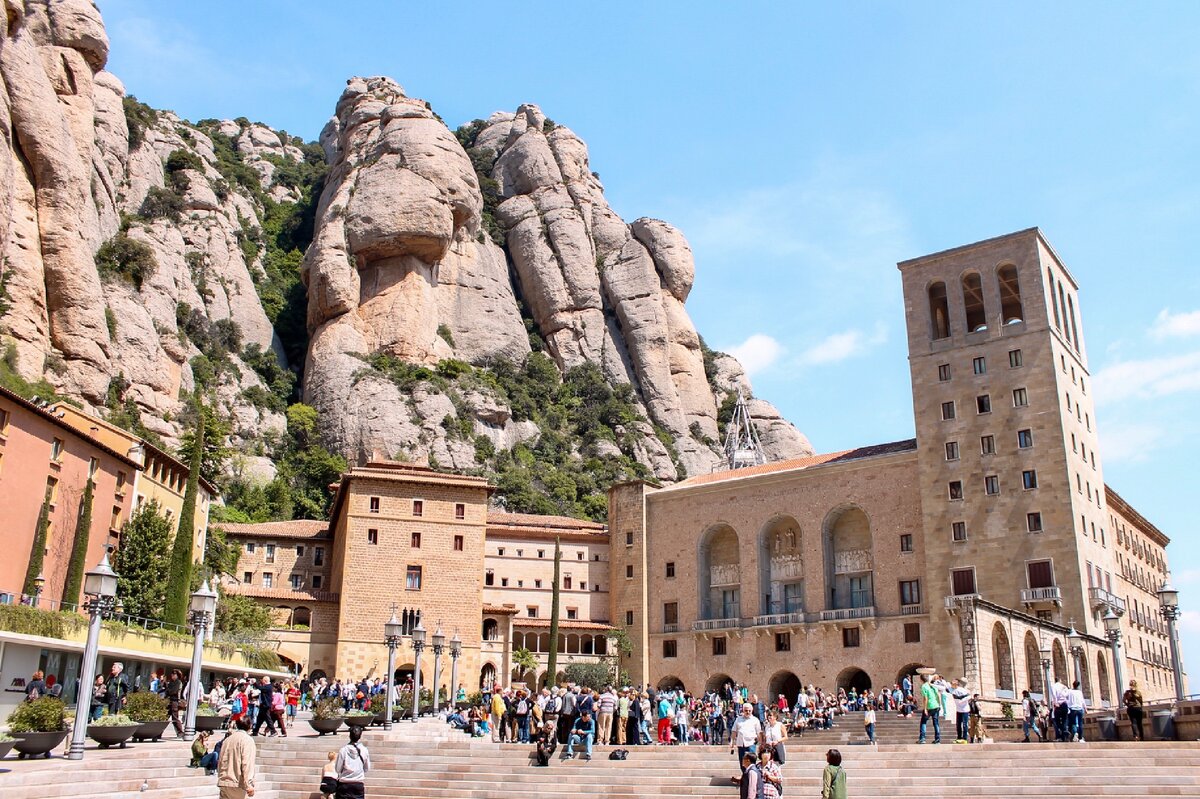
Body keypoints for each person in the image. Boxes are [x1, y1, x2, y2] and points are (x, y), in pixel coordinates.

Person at [216, 716, 257, 799]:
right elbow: (246, 763)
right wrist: (248, 784)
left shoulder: (228, 739)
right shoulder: (247, 740)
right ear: (250, 726)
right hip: (237, 783)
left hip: (224, 781)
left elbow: (220, 761)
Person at [334, 726, 370, 798]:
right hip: (358, 783)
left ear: (349, 736)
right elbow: (367, 768)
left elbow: (337, 769)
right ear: (360, 736)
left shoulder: (343, 750)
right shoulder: (364, 750)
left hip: (344, 784)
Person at [730, 702, 762, 777]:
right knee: (742, 761)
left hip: (751, 743)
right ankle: (745, 776)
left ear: (752, 710)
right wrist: (732, 741)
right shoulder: (738, 719)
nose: (747, 712)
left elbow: (759, 733)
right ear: (743, 710)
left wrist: (761, 744)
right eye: (746, 710)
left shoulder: (755, 720)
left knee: (751, 761)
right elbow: (734, 731)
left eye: (749, 711)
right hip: (741, 744)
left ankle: (752, 776)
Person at [917, 675, 941, 744]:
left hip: (929, 706)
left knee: (923, 722)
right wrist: (939, 705)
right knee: (936, 723)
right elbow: (938, 695)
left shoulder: (924, 686)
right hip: (936, 706)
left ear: (921, 680)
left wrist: (925, 708)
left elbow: (925, 698)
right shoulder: (932, 685)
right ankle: (937, 739)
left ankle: (922, 738)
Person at [165, 669, 185, 739]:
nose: (172, 675)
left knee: (175, 718)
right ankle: (158, 733)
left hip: (175, 701)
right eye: (172, 674)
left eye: (174, 674)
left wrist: (168, 689)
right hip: (169, 701)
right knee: (164, 717)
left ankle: (180, 732)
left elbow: (173, 691)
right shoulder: (171, 682)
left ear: (177, 675)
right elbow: (167, 691)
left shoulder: (178, 682)